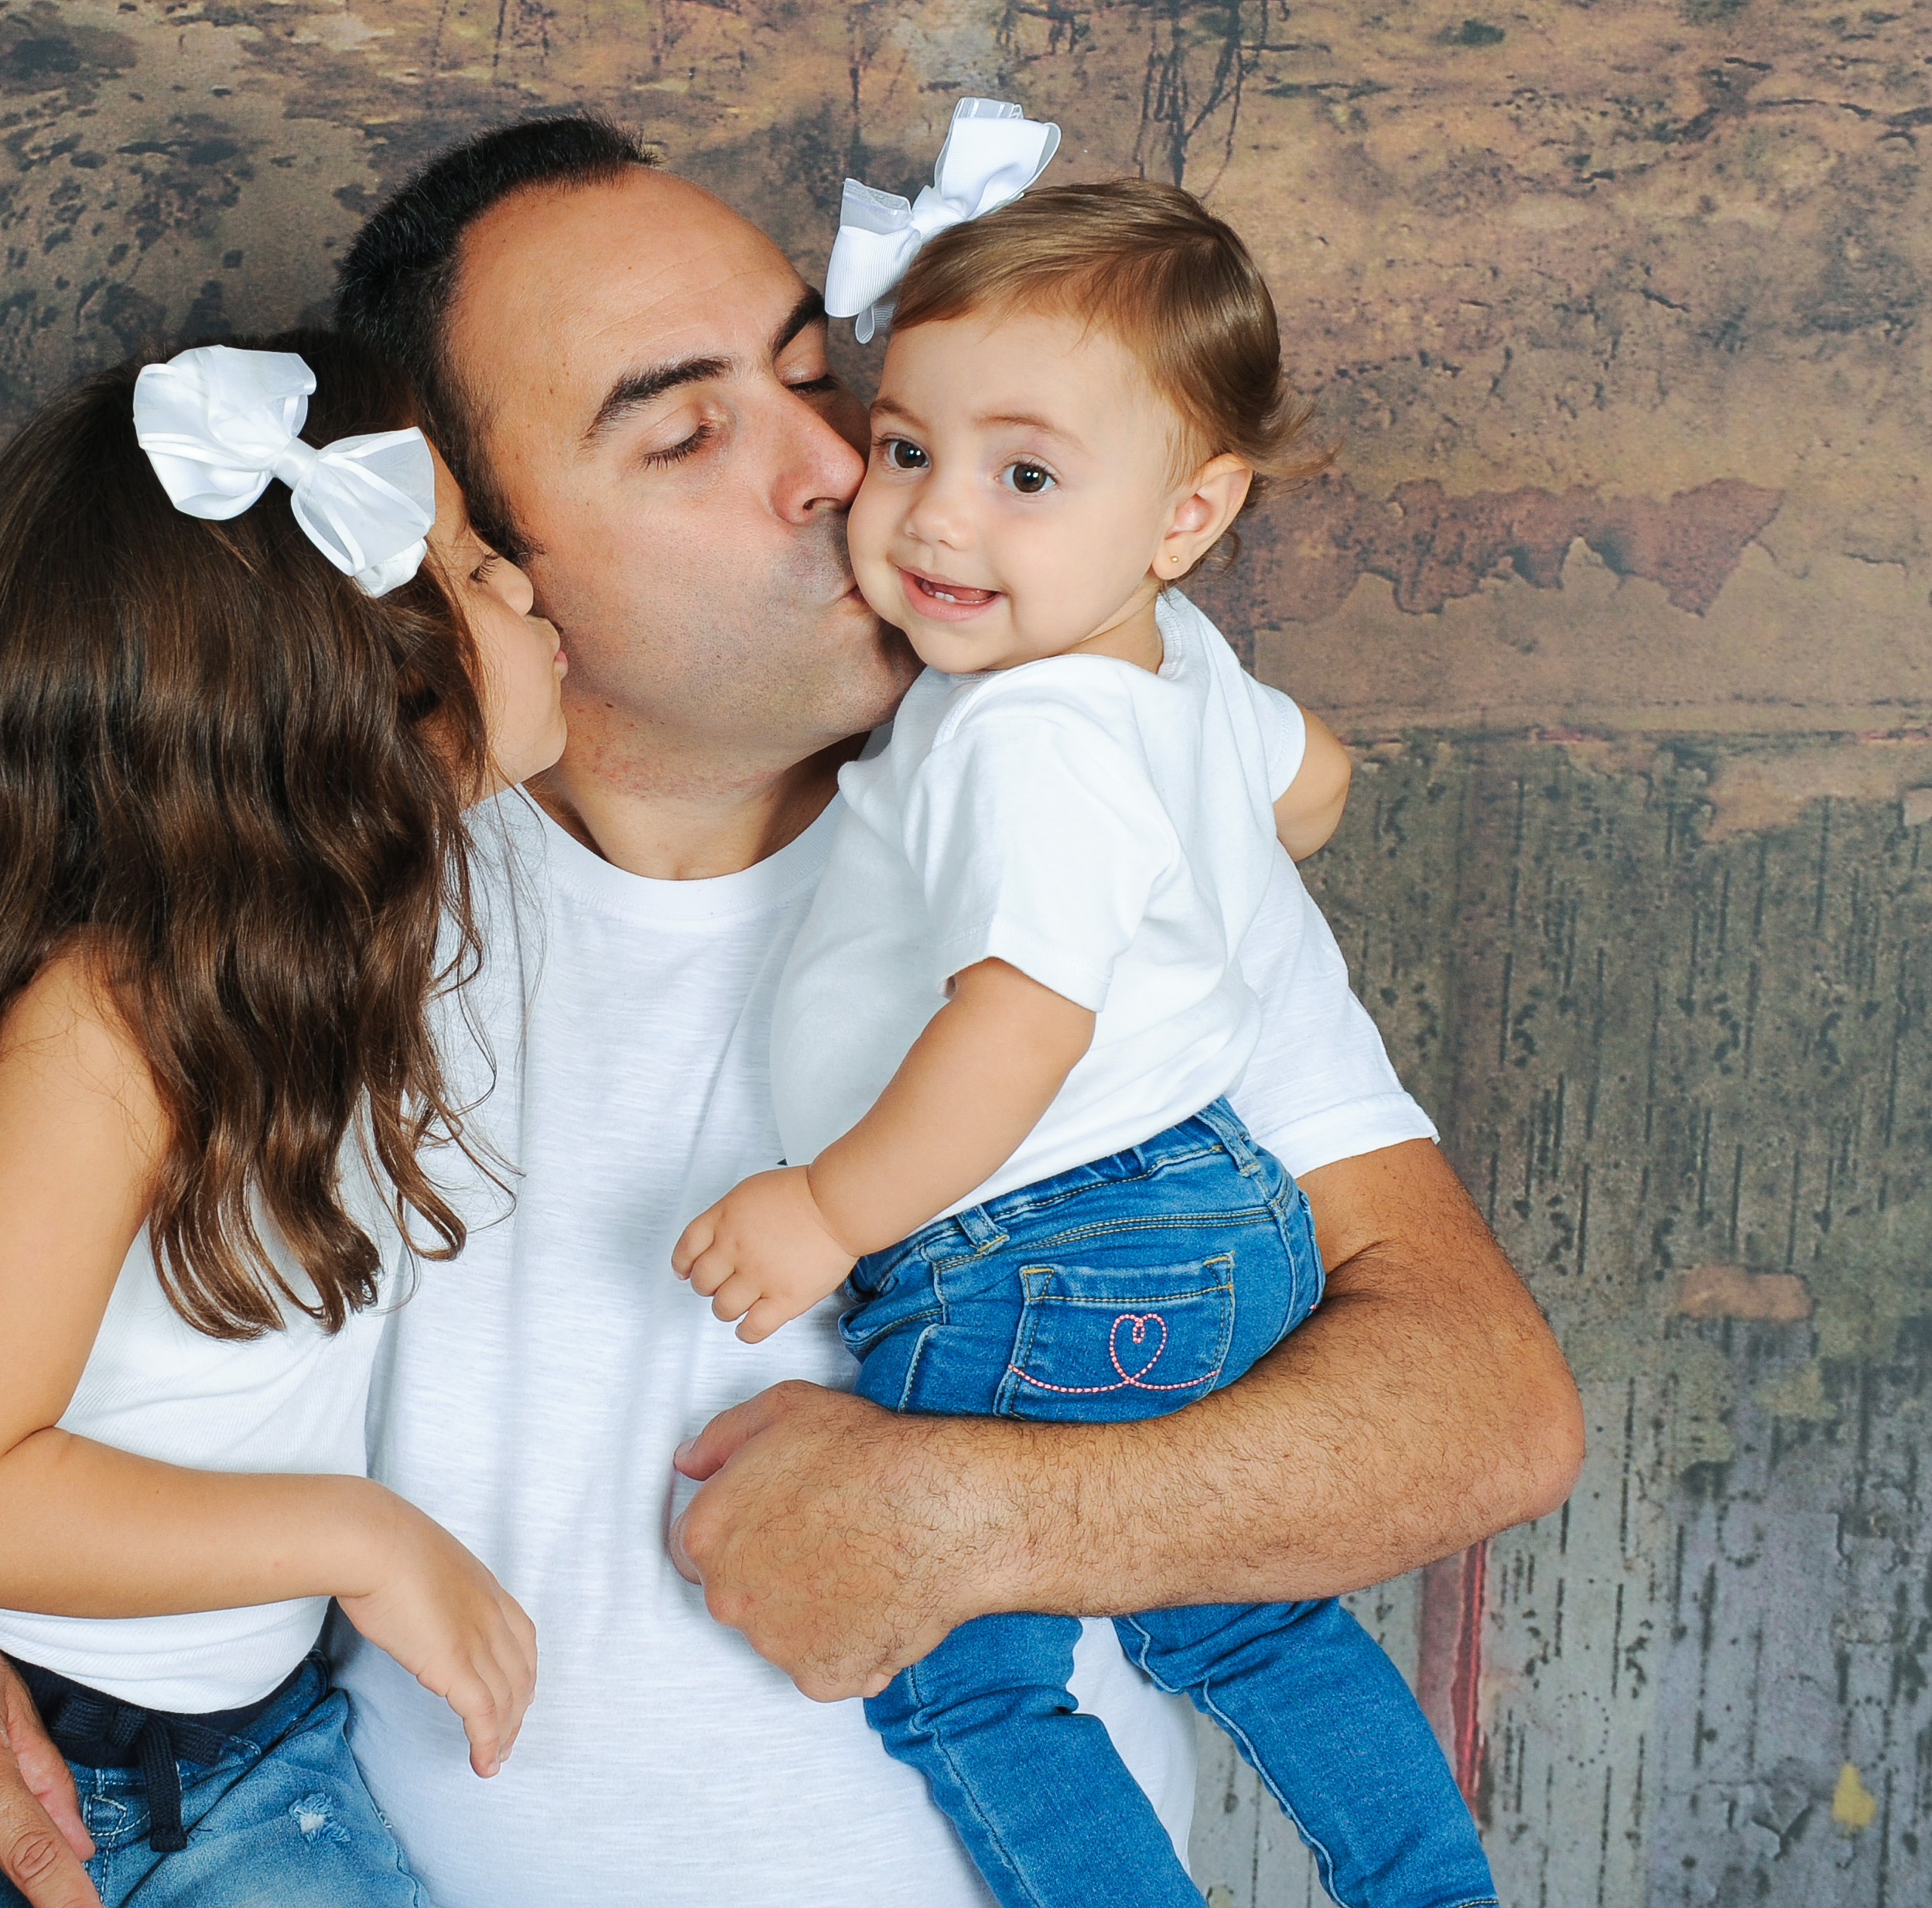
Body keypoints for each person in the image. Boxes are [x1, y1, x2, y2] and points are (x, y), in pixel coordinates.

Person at [0, 114, 1585, 1908]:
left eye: (821, 378)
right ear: (467, 546)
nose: (839, 468)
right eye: (684, 434)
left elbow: (1482, 1411)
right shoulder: (321, 872)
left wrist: (973, 1520)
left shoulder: (1087, 821)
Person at [670, 153, 1499, 1907]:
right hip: (1211, 1207)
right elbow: (1315, 783)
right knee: (1246, 1616)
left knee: (963, 1677)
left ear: (1186, 514)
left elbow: (1021, 1023)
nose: (934, 521)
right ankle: (1429, 1885)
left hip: (1031, 1240)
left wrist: (825, 1209)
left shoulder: (1022, 733)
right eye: (906, 449)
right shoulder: (1168, 660)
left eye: (1025, 476)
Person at [0, 333, 563, 1906]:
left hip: (251, 1755)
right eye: (478, 566)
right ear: (352, 693)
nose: (528, 585)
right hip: (15, 1776)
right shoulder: (115, 1026)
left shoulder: (342, 959)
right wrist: (367, 1540)